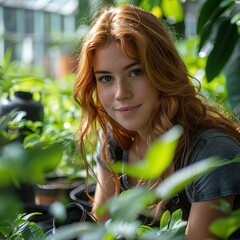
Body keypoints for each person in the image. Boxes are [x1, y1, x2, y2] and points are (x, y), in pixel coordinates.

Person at [73, 4, 240, 239]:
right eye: (106, 78)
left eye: (136, 72)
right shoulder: (114, 141)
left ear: (163, 70)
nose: (121, 93)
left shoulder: (210, 155)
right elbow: (102, 229)